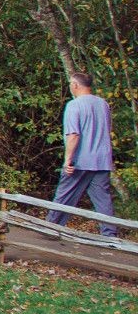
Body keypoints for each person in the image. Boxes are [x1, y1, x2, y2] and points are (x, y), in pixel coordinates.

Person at [50, 71, 119, 236]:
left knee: (64, 196)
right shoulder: (103, 104)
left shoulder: (74, 105)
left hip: (80, 161)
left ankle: (50, 229)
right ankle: (109, 235)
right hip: (102, 159)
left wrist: (68, 160)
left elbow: (73, 135)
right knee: (103, 200)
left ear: (75, 85)